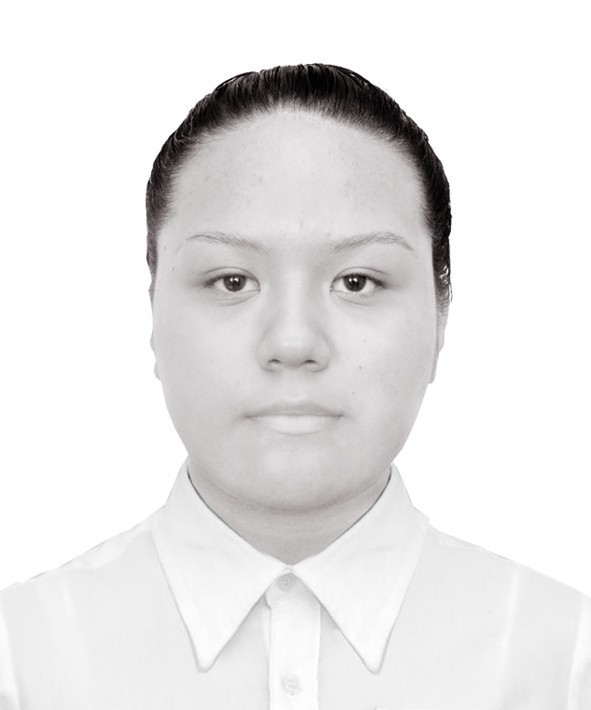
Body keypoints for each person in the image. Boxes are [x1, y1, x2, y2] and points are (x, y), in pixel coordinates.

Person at [0, 63, 589, 709]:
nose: (292, 342)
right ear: (153, 309)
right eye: (232, 281)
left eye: (357, 282)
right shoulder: (21, 660)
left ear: (440, 316)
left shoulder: (566, 662)